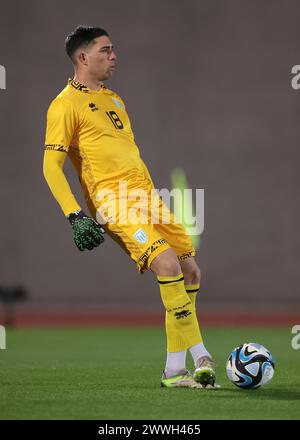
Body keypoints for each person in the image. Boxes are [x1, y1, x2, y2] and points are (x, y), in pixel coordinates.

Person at [43, 25, 216, 389]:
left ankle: (174, 370)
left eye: (113, 49)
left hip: (148, 198)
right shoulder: (64, 105)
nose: (113, 55)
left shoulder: (115, 99)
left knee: (190, 272)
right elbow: (50, 167)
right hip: (113, 202)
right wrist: (74, 214)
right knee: (165, 263)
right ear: (82, 57)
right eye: (105, 50)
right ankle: (201, 353)